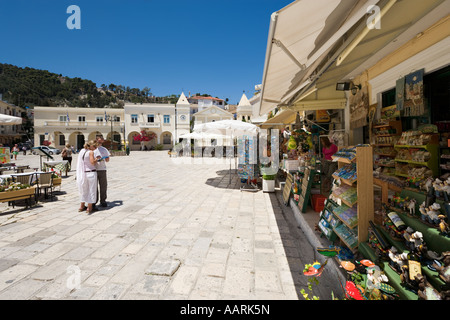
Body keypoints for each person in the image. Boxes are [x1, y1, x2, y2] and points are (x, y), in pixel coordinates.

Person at [76, 141, 100, 214]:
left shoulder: (82, 151)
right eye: (95, 147)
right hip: (91, 172)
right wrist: (97, 159)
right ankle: (89, 208)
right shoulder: (90, 152)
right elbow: (92, 162)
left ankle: (81, 206)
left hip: (84, 173)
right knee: (91, 190)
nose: (95, 148)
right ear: (91, 146)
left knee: (84, 189)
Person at [94, 136, 110, 208]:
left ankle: (103, 200)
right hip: (94, 169)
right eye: (99, 141)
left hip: (102, 169)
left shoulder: (104, 149)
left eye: (101, 141)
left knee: (103, 186)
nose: (100, 142)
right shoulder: (93, 150)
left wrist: (105, 158)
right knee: (94, 186)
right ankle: (94, 200)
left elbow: (107, 160)